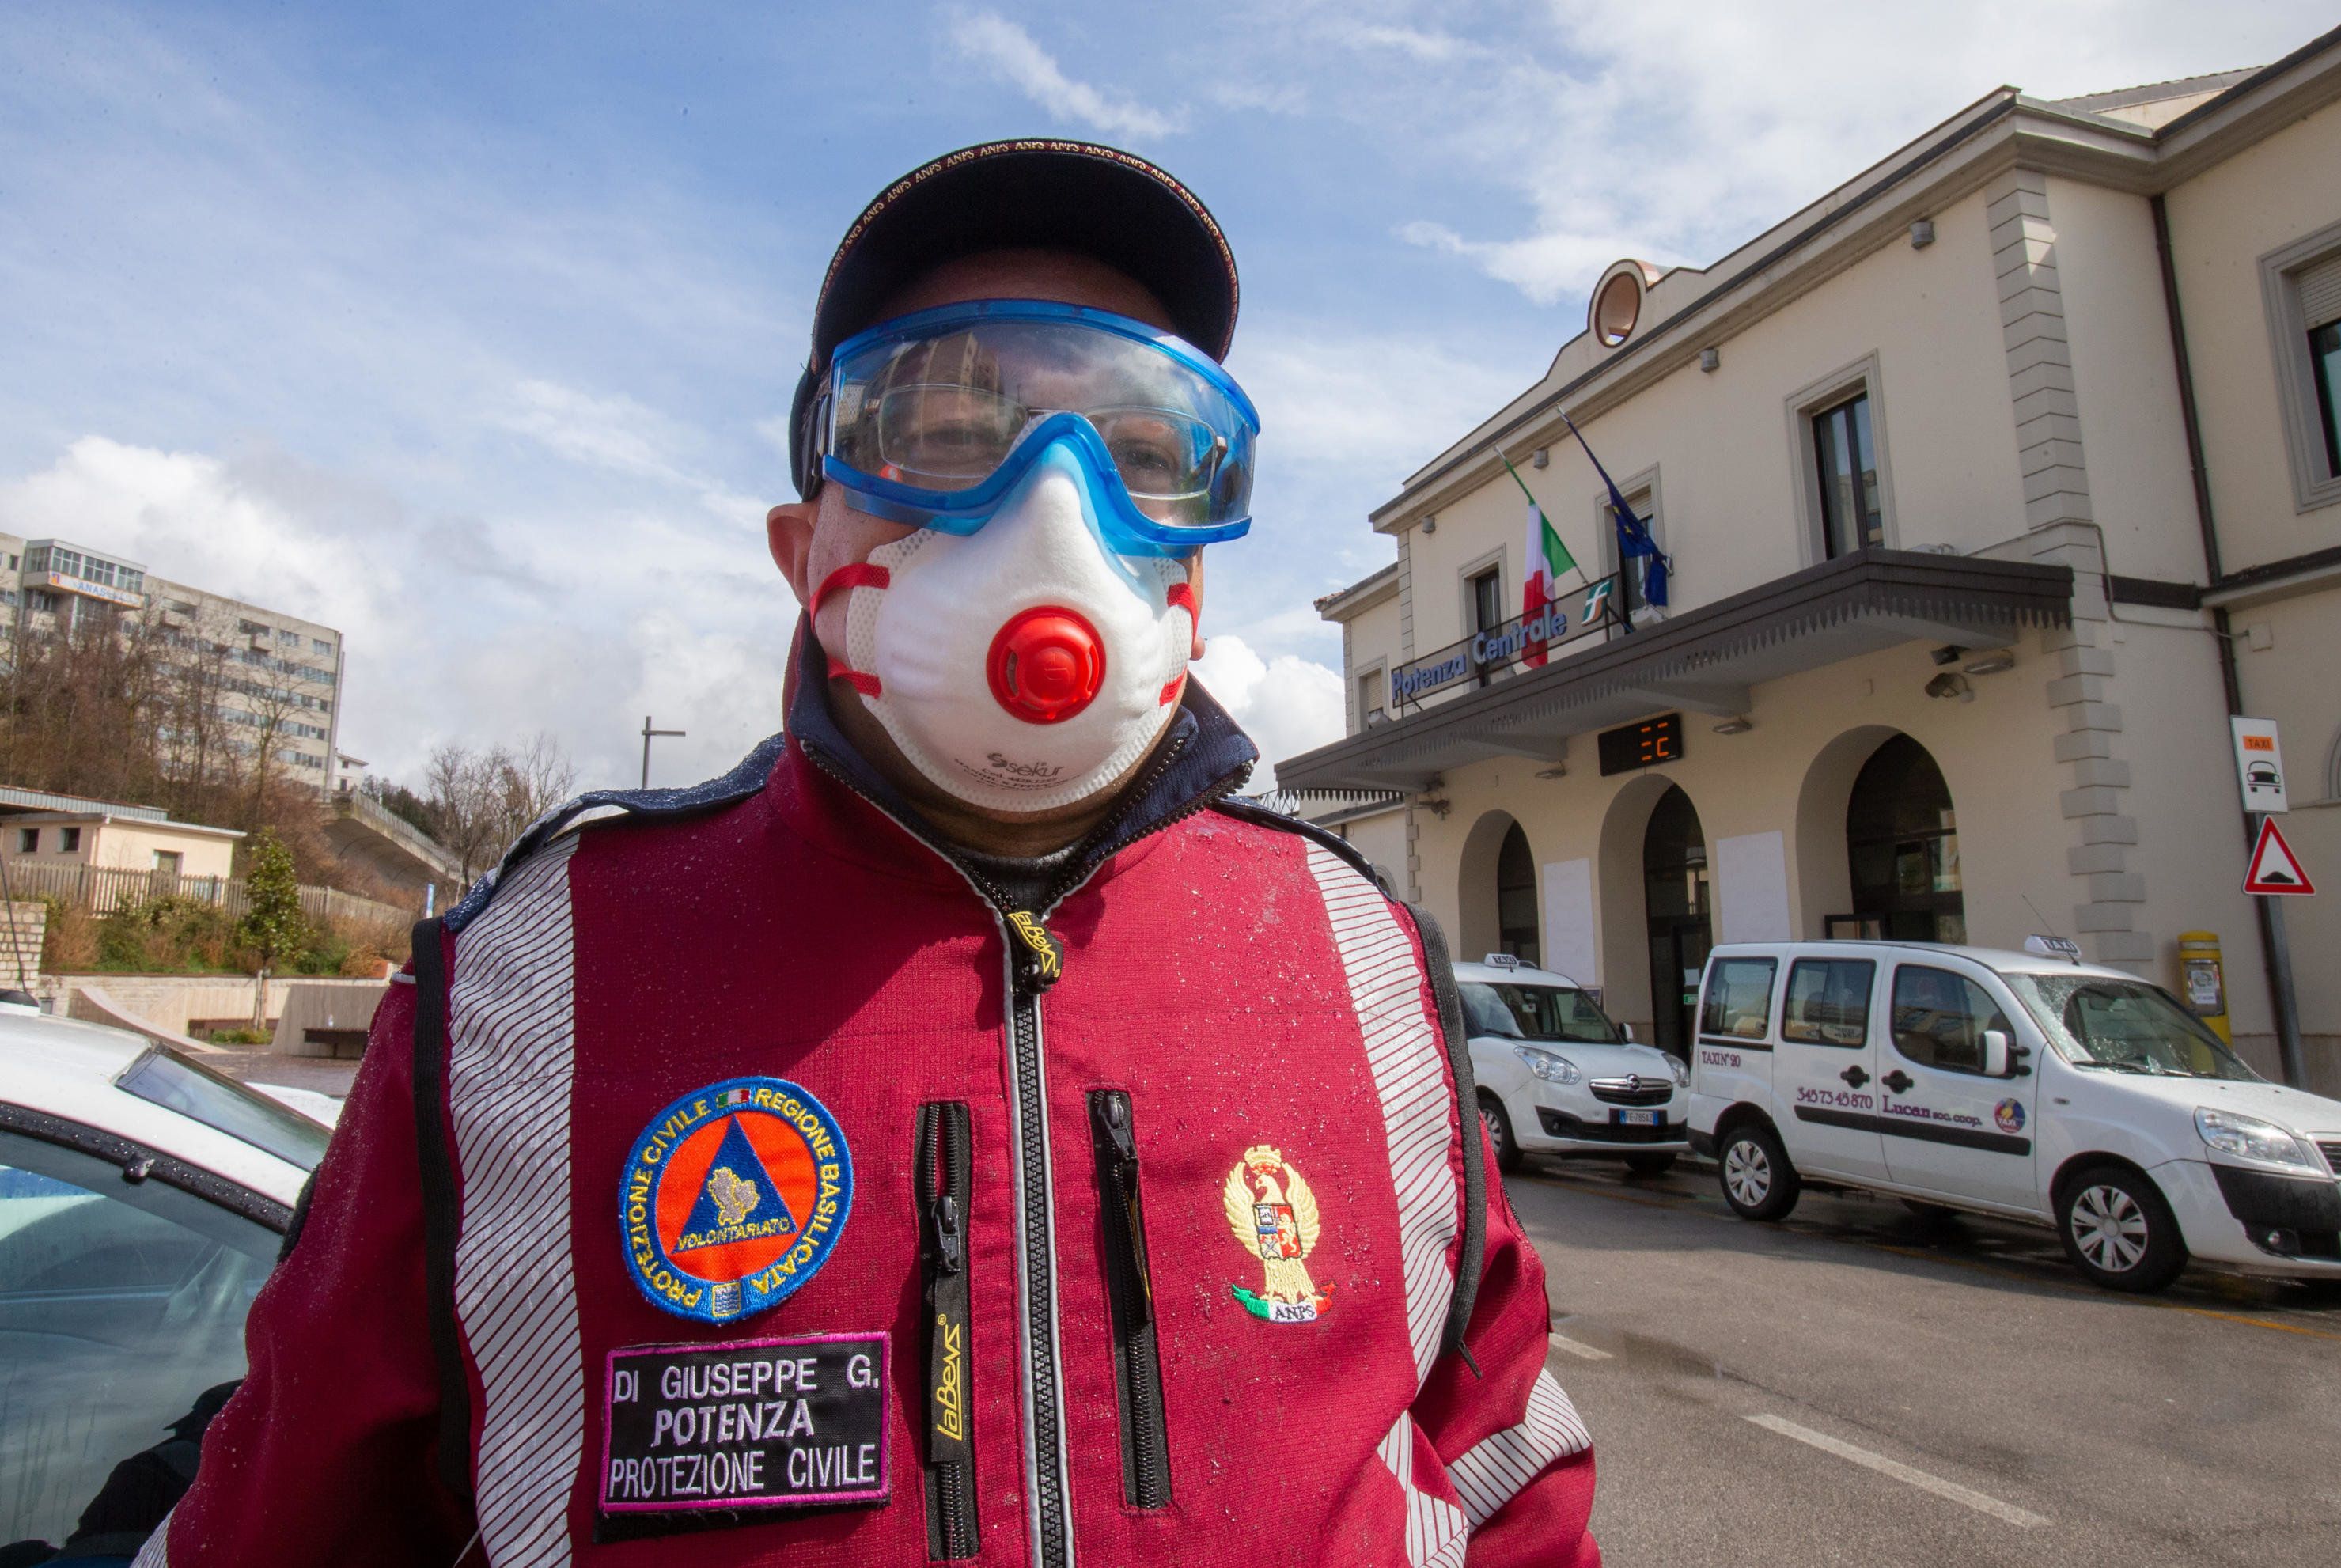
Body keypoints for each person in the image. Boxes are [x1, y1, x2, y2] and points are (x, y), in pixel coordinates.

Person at [138, 138, 1599, 1567]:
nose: (1053, 508)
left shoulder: (1359, 961)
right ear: (800, 546)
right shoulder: (533, 984)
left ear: (1198, 558)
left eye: (1144, 448)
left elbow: (1506, 1468)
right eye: (951, 430)